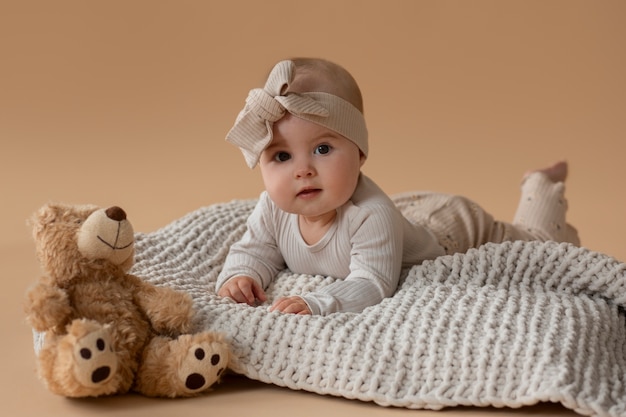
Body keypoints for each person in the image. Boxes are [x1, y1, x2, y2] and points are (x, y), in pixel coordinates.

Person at [216, 58, 579, 316]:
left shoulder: (370, 216)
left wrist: (318, 302)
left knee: (538, 246)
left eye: (322, 149)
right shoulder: (272, 208)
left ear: (359, 153)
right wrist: (240, 275)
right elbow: (255, 250)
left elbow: (373, 283)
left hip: (454, 228)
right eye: (281, 157)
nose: (303, 171)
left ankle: (541, 185)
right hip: (411, 214)